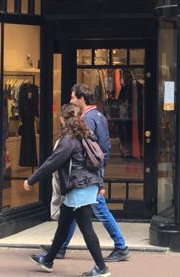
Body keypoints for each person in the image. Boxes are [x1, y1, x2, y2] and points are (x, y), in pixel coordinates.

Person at [41, 83, 131, 262]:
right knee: (74, 209)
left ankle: (120, 246)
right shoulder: (99, 115)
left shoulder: (87, 119)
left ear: (81, 99)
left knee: (98, 209)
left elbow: (84, 148)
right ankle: (60, 247)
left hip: (88, 175)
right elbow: (105, 145)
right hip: (92, 173)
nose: (71, 100)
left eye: (73, 97)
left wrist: (96, 175)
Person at [25, 104, 110, 277]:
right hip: (84, 185)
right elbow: (96, 160)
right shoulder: (85, 134)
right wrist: (100, 184)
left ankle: (101, 267)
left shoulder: (68, 139)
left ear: (62, 119)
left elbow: (51, 163)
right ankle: (48, 260)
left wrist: (31, 180)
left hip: (78, 187)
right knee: (63, 225)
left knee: (86, 228)